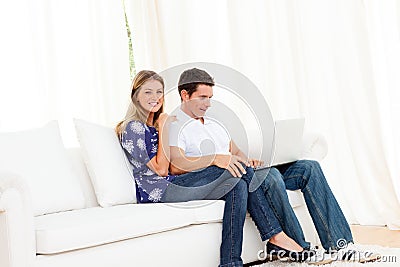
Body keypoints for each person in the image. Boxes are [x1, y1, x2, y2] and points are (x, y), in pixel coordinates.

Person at [168, 67, 380, 264]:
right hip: (223, 178)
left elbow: (235, 151)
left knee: (309, 167)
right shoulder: (176, 124)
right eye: (202, 97)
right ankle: (300, 248)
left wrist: (246, 159)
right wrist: (217, 159)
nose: (208, 104)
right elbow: (176, 166)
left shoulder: (214, 123)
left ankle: (341, 245)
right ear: (185, 95)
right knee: (271, 178)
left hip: (244, 170)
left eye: (210, 98)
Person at [116, 70, 318, 267]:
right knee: (236, 168)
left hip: (174, 184)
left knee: (237, 185)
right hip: (158, 192)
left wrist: (163, 125)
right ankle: (276, 236)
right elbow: (161, 170)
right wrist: (166, 127)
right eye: (148, 92)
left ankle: (231, 261)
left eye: (159, 92)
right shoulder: (132, 127)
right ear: (135, 96)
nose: (155, 97)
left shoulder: (157, 124)